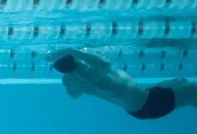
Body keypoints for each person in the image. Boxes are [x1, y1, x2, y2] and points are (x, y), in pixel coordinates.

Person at [48, 48, 195, 120]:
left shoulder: (70, 80)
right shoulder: (94, 69)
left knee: (182, 82)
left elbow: (75, 95)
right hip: (149, 102)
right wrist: (70, 50)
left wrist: (67, 74)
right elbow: (103, 61)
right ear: (74, 58)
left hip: (140, 105)